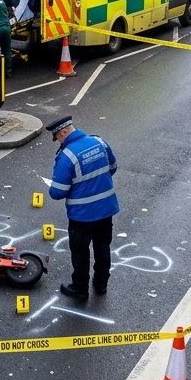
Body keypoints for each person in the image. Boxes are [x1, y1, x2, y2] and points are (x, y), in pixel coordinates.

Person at [45, 116, 120, 298]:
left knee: (80, 252)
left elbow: (57, 192)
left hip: (82, 215)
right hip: (106, 209)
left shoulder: (67, 156)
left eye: (58, 137)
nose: (59, 141)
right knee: (103, 247)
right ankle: (101, 283)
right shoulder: (99, 142)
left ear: (63, 133)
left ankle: (80, 288)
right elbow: (113, 167)